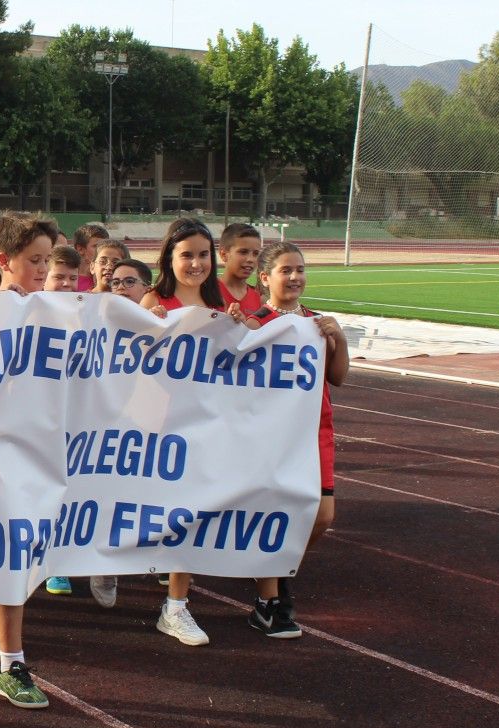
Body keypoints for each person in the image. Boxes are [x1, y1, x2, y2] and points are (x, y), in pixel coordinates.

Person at [140, 218, 255, 646]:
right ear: (169, 258)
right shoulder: (155, 300)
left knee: (188, 515)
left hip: (204, 427)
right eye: (186, 255)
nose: (196, 263)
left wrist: (244, 329)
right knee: (145, 512)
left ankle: (175, 606)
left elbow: (245, 356)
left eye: (203, 255)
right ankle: (104, 569)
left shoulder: (221, 303)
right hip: (155, 428)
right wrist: (145, 326)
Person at [0, 210, 60, 710]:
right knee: (8, 556)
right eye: (34, 260)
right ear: (5, 260)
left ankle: (7, 657)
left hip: (39, 452)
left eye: (47, 260)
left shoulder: (54, 312)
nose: (43, 270)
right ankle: (10, 664)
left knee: (18, 557)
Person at [248, 241, 348, 638]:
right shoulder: (256, 322)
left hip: (315, 431)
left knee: (322, 517)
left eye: (300, 270)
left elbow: (337, 377)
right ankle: (268, 601)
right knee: (274, 514)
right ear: (265, 277)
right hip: (272, 437)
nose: (294, 277)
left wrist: (339, 339)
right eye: (285, 270)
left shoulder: (316, 323)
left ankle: (278, 572)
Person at [41, 242, 83, 597]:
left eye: (72, 278)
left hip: (76, 417)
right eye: (59, 277)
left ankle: (58, 564)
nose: (67, 284)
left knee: (69, 490)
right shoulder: (25, 310)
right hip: (39, 418)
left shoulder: (88, 314)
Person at [218, 223, 264, 314]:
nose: (251, 259)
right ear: (224, 255)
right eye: (243, 252)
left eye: (255, 254)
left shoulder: (260, 299)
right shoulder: (207, 292)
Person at [72, 222, 110, 292]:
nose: (103, 250)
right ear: (80, 249)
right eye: (97, 246)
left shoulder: (110, 278)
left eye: (105, 247)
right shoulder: (66, 278)